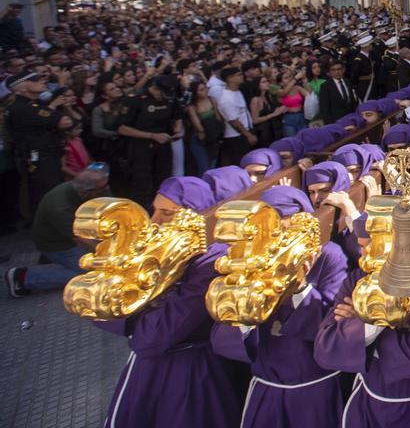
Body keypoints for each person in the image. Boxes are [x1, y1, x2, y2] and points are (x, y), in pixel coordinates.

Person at [94, 176, 243, 428]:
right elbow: (97, 309)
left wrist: (132, 317)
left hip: (191, 372)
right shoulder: (154, 249)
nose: (154, 221)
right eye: (154, 210)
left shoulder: (211, 261)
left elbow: (154, 337)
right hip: (150, 368)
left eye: (166, 213)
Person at [212, 186, 348, 428]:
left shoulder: (330, 255)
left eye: (284, 229)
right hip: (268, 387)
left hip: (315, 387)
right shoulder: (250, 261)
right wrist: (244, 309)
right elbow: (221, 339)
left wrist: (300, 288)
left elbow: (333, 326)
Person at [314, 216, 410, 426]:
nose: (364, 255)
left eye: (371, 246)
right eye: (361, 247)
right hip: (369, 406)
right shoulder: (357, 279)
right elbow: (325, 349)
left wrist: (360, 334)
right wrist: (372, 323)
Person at [5, 164, 109, 297]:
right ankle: (23, 278)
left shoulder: (96, 188)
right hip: (57, 244)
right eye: (102, 189)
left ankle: (55, 263)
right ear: (86, 192)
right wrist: (105, 253)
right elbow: (79, 238)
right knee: (91, 273)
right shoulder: (59, 207)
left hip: (75, 233)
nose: (107, 190)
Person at [7, 70, 75, 208]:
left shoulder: (34, 104)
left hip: (46, 154)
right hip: (40, 159)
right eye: (36, 80)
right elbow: (65, 122)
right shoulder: (23, 108)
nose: (42, 81)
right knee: (50, 196)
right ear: (22, 87)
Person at [116, 74, 183, 206]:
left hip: (164, 146)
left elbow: (177, 116)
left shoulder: (170, 99)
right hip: (141, 147)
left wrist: (177, 130)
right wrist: (152, 136)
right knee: (142, 184)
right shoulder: (136, 99)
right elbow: (122, 128)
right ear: (155, 88)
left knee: (164, 180)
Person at [216, 66, 256, 166]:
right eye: (238, 75)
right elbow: (234, 121)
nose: (242, 76)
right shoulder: (226, 98)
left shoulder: (237, 91)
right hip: (237, 137)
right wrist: (248, 135)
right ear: (230, 78)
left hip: (246, 131)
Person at [318, 61, 357, 125]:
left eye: (339, 69)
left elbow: (353, 101)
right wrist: (331, 126)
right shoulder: (325, 86)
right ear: (329, 72)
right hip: (337, 123)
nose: (336, 72)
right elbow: (324, 109)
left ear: (343, 70)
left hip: (351, 119)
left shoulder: (348, 82)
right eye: (333, 70)